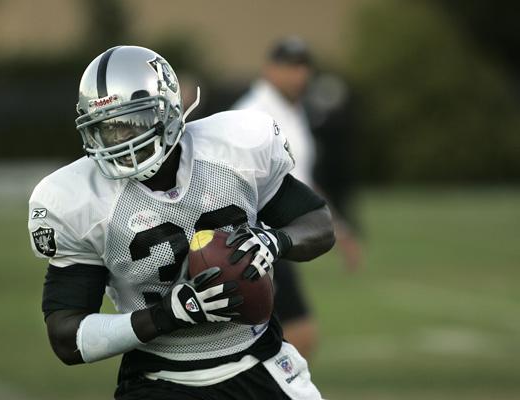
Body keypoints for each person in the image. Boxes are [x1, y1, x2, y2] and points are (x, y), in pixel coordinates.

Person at [27, 45, 334, 399]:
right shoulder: (78, 200)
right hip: (160, 379)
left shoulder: (232, 149)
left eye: (133, 122)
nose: (121, 139)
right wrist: (167, 315)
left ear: (170, 108)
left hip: (258, 361)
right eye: (107, 129)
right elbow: (68, 337)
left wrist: (276, 241)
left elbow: (317, 223)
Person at [232, 37, 361, 358]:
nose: (297, 75)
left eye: (303, 66)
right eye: (289, 66)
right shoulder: (252, 113)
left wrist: (338, 229)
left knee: (283, 338)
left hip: (278, 237)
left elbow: (300, 180)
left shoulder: (293, 111)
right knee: (297, 334)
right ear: (269, 69)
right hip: (253, 237)